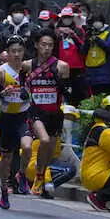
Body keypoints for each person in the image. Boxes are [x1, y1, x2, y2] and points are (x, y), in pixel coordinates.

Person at [26, 31, 70, 197]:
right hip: (36, 111)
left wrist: (61, 83)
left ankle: (41, 176)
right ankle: (38, 175)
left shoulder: (62, 66)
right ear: (37, 45)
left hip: (55, 113)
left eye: (50, 45)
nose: (46, 48)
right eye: (43, 45)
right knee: (43, 140)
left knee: (49, 150)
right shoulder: (28, 65)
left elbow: (67, 91)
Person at [0, 35, 32, 210]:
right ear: (7, 53)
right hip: (7, 117)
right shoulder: (1, 72)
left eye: (20, 51)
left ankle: (21, 175)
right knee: (6, 157)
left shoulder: (29, 69)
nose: (17, 54)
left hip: (24, 116)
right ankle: (3, 189)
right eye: (13, 51)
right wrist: (3, 93)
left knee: (27, 147)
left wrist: (27, 94)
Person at [53, 6, 87, 104]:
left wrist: (73, 35)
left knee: (77, 93)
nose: (67, 19)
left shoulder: (78, 30)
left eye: (69, 17)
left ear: (72, 18)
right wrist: (58, 34)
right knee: (62, 91)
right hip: (60, 65)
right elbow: (52, 47)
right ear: (61, 18)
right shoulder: (56, 31)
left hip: (76, 67)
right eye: (64, 17)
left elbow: (83, 48)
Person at [85, 15, 110, 95]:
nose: (96, 23)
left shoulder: (109, 33)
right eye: (94, 21)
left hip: (105, 72)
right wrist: (87, 40)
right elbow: (83, 50)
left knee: (106, 95)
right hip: (92, 72)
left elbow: (109, 49)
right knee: (95, 95)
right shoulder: (90, 33)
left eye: (98, 21)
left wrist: (98, 40)